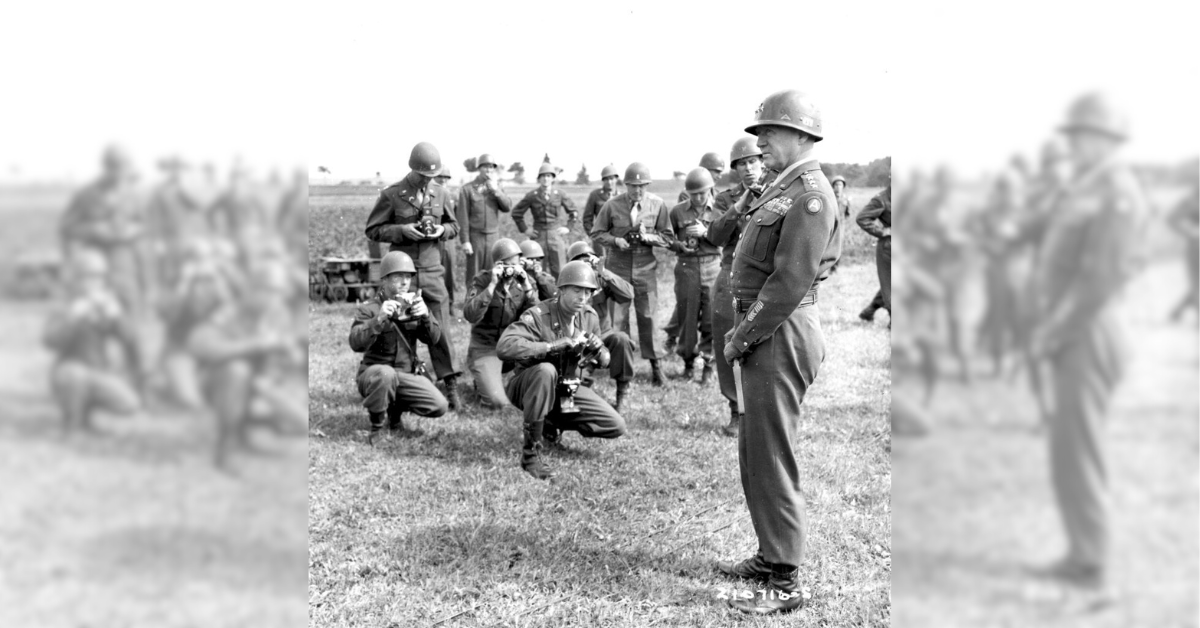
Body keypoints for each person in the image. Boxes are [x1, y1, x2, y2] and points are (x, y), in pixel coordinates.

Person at [715, 89, 841, 615]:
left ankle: (785, 579)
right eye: (759, 132)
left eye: (769, 131)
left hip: (777, 331)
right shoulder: (782, 187)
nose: (760, 140)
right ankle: (771, 555)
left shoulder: (810, 193)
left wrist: (742, 335)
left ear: (801, 134)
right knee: (755, 452)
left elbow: (791, 280)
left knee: (771, 455)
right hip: (769, 330)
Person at [1025, 92, 1148, 593]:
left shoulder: (1117, 191)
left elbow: (1099, 281)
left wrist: (1053, 332)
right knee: (1068, 448)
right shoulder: (1090, 185)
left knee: (1079, 448)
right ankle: (1084, 551)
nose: (1073, 145)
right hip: (1077, 328)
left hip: (1089, 330)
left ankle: (1090, 561)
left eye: (1081, 136)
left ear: (1105, 139)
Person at [497, 261, 627, 479]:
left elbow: (604, 360)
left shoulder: (589, 316)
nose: (582, 298)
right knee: (546, 370)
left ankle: (549, 421)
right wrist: (549, 347)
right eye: (577, 291)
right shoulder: (539, 315)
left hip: (566, 389)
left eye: (587, 293)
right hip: (529, 386)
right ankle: (531, 455)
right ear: (562, 289)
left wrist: (598, 350)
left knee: (615, 425)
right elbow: (505, 346)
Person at [364, 142, 464, 409]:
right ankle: (403, 382)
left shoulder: (441, 194)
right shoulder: (392, 194)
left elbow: (454, 226)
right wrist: (402, 231)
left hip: (433, 270)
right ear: (413, 170)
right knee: (401, 325)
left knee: (439, 326)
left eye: (433, 176)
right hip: (403, 273)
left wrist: (442, 232)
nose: (429, 180)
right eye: (424, 175)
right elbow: (373, 230)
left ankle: (450, 383)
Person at [348, 251, 449, 443]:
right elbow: (355, 342)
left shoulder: (413, 306)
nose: (404, 282)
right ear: (384, 280)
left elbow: (434, 339)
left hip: (403, 374)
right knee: (386, 374)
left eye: (408, 277)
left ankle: (394, 416)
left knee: (440, 405)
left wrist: (426, 315)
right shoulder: (370, 308)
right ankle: (376, 428)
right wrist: (378, 320)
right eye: (397, 277)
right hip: (373, 374)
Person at [589, 162, 675, 386]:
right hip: (618, 268)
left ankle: (656, 367)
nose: (638, 191)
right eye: (633, 186)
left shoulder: (657, 205)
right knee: (618, 318)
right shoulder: (611, 205)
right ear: (625, 185)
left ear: (647, 185)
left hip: (645, 269)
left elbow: (668, 238)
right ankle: (620, 370)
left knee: (648, 317)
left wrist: (649, 238)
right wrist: (615, 240)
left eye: (642, 186)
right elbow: (597, 232)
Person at [43, 249, 143, 434]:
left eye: (98, 277)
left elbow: (130, 339)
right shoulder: (64, 304)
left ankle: (88, 414)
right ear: (76, 278)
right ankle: (72, 425)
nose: (93, 283)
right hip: (67, 370)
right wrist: (73, 316)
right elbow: (50, 341)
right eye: (87, 277)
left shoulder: (106, 304)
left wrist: (117, 315)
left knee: (130, 404)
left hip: (97, 371)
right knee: (75, 375)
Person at [708, 136, 770, 436]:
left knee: (765, 342)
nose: (747, 169)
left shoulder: (778, 192)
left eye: (752, 162)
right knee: (726, 341)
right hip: (730, 279)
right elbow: (715, 236)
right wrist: (740, 204)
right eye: (741, 164)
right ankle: (735, 409)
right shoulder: (725, 198)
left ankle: (763, 408)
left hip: (764, 281)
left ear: (762, 162)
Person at [462, 239, 539, 409]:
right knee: (498, 402)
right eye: (508, 266)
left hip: (512, 345)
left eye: (516, 265)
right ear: (498, 265)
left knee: (536, 388)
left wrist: (527, 286)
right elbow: (471, 315)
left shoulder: (525, 283)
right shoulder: (482, 280)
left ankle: (506, 380)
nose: (512, 271)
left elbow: (537, 319)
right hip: (486, 347)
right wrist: (492, 285)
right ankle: (485, 377)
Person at [567, 240, 636, 410]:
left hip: (603, 336)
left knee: (621, 339)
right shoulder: (566, 282)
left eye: (589, 260)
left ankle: (622, 394)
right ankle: (574, 402)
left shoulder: (600, 279)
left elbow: (628, 295)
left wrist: (603, 272)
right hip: (578, 342)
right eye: (580, 261)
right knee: (571, 378)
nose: (586, 265)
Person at [666, 168, 721, 382]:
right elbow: (666, 238)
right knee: (686, 318)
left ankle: (709, 365)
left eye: (702, 193)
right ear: (687, 192)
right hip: (687, 267)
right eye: (693, 194)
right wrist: (679, 245)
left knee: (711, 318)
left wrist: (706, 233)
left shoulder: (719, 209)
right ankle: (688, 363)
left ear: (710, 189)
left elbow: (728, 239)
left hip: (712, 266)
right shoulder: (678, 212)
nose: (698, 198)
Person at [513, 163, 578, 279]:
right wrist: (526, 230)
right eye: (543, 176)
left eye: (548, 176)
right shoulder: (532, 196)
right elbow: (516, 213)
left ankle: (559, 296)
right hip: (538, 236)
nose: (545, 178)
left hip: (556, 236)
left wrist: (568, 227)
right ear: (539, 178)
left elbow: (573, 212)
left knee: (559, 270)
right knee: (537, 271)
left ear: (553, 178)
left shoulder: (560, 194)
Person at [456, 153, 514, 279]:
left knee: (493, 274)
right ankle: (472, 299)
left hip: (493, 237)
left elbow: (507, 207)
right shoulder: (467, 189)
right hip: (475, 238)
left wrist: (496, 191)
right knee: (474, 275)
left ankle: (491, 299)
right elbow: (463, 217)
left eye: (491, 167)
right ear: (479, 168)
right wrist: (465, 241)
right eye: (485, 167)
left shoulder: (496, 187)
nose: (488, 170)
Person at [856, 184, 892, 325]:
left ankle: (870, 310)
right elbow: (862, 218)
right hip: (889, 246)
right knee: (890, 283)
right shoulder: (881, 199)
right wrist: (882, 231)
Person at [1167, 179, 1199, 322]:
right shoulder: (1193, 199)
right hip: (1197, 247)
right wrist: (1192, 232)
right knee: (1197, 282)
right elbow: (1171, 218)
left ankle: (1178, 310)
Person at [434, 165, 460, 311]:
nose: (443, 180)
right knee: (435, 271)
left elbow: (457, 219)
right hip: (433, 239)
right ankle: (437, 303)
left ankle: (450, 303)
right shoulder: (429, 194)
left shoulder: (453, 195)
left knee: (450, 271)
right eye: (440, 177)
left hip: (448, 238)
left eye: (446, 177)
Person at [582, 164, 621, 251]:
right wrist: (593, 235)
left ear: (616, 179)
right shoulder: (595, 195)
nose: (609, 182)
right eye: (606, 179)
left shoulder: (622, 197)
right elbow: (587, 219)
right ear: (603, 180)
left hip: (618, 239)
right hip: (600, 239)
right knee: (600, 263)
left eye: (611, 178)